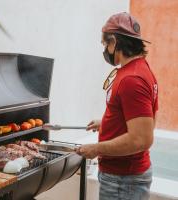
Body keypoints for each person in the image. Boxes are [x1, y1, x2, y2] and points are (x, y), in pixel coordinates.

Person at [76, 12, 158, 200]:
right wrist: (106, 123)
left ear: (114, 42)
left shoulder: (132, 79)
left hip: (123, 181)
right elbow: (145, 120)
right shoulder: (140, 70)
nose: (105, 49)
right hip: (124, 178)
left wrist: (96, 148)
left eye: (105, 44)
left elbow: (142, 139)